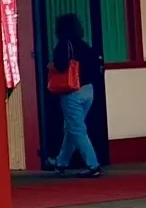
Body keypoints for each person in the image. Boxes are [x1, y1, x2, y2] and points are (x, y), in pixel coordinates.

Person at [44, 11, 103, 175]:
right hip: (88, 90)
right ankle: (61, 162)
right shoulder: (84, 45)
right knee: (71, 127)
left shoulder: (64, 44)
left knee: (76, 128)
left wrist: (51, 66)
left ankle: (93, 165)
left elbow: (61, 65)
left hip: (72, 92)